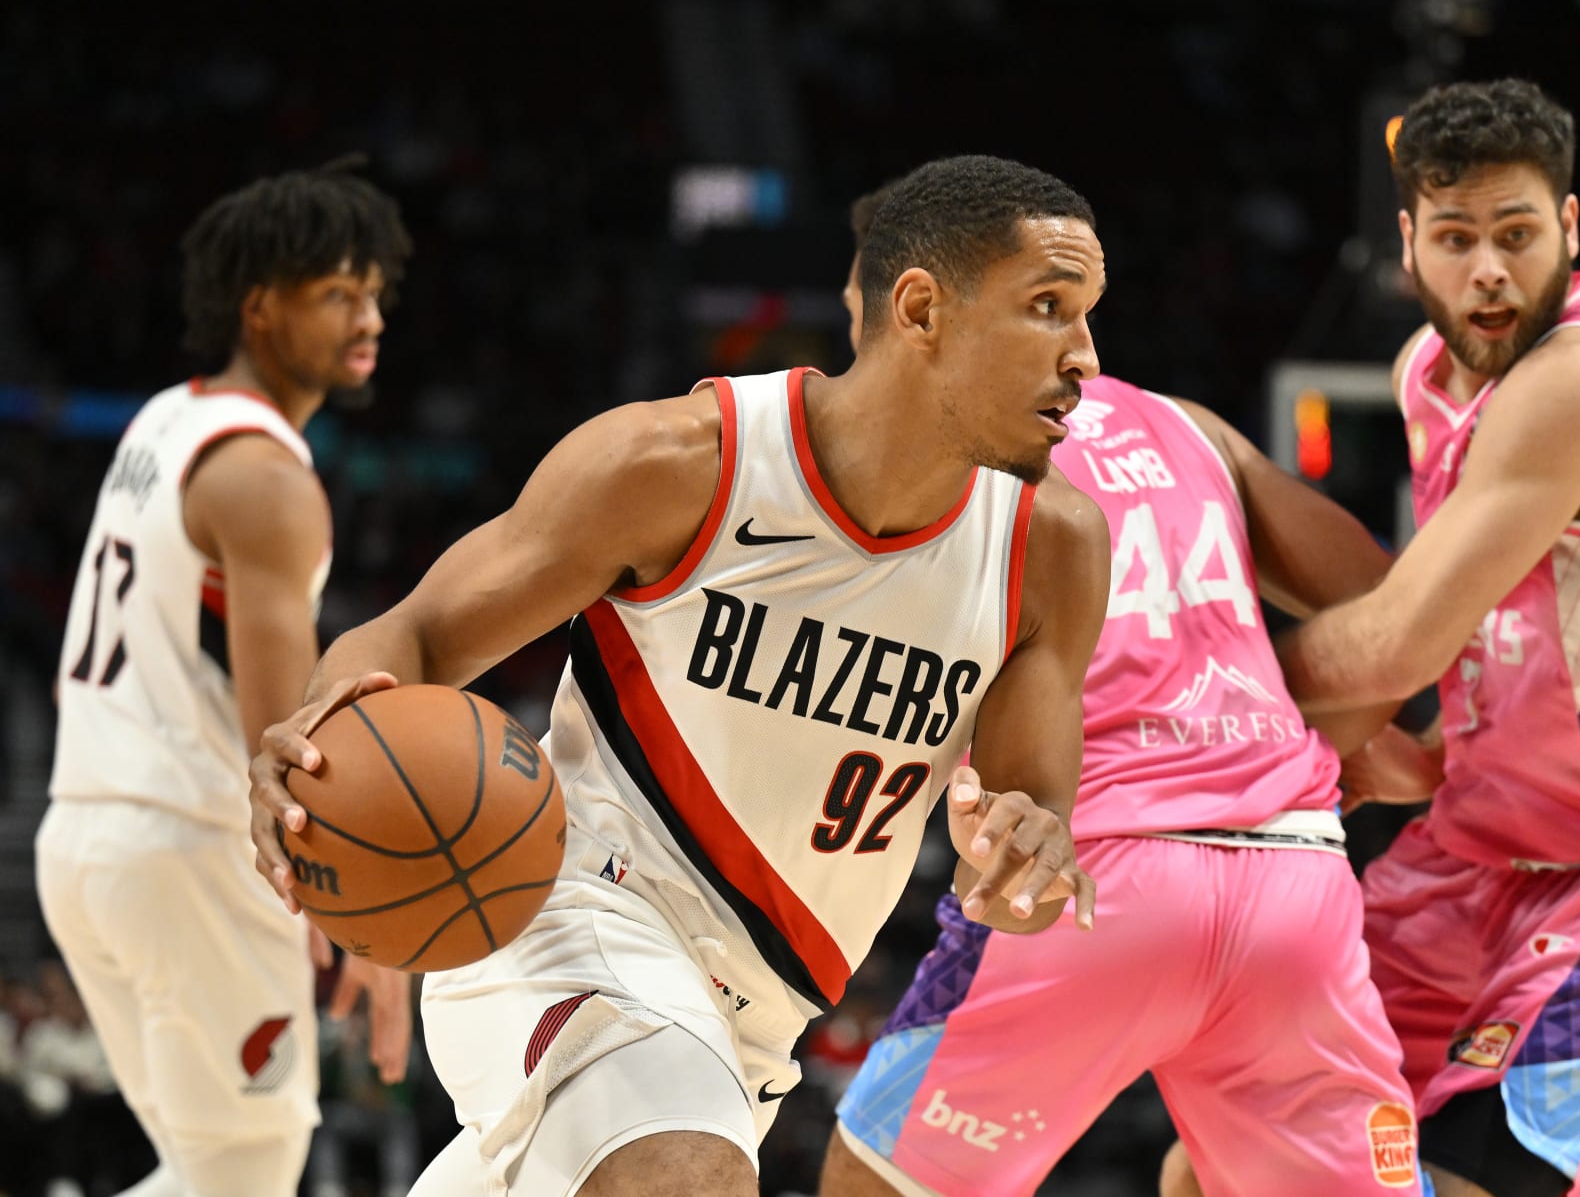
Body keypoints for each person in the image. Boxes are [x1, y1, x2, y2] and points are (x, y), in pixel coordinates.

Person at [246, 154, 1114, 1197]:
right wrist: (322, 754)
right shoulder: (679, 465)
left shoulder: (1052, 548)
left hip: (758, 1020)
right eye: (1048, 308)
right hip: (562, 902)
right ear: (921, 308)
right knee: (683, 1172)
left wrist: (1021, 861)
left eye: (1088, 314)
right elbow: (414, 636)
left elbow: (1018, 877)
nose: (1087, 358)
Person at [821, 185, 1424, 1197]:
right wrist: (1335, 735)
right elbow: (1385, 601)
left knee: (871, 1181)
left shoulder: (923, 447)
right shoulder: (1184, 427)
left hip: (1096, 878)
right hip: (1297, 884)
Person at [1265, 79, 1580, 1197]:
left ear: (1569, 231)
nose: (1488, 269)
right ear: (1409, 246)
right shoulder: (1423, 377)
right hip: (1463, 850)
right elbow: (1450, 619)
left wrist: (1215, 678)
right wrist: (1378, 739)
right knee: (1233, 1135)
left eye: (1517, 235)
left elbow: (1390, 646)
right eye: (1457, 237)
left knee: (1467, 1180)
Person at [34, 162, 417, 1197]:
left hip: (83, 839)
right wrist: (367, 920)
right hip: (186, 853)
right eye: (339, 292)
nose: (369, 315)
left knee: (211, 1173)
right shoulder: (267, 479)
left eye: (375, 290)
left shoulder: (162, 421)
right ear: (262, 305)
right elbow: (283, 747)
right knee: (243, 1175)